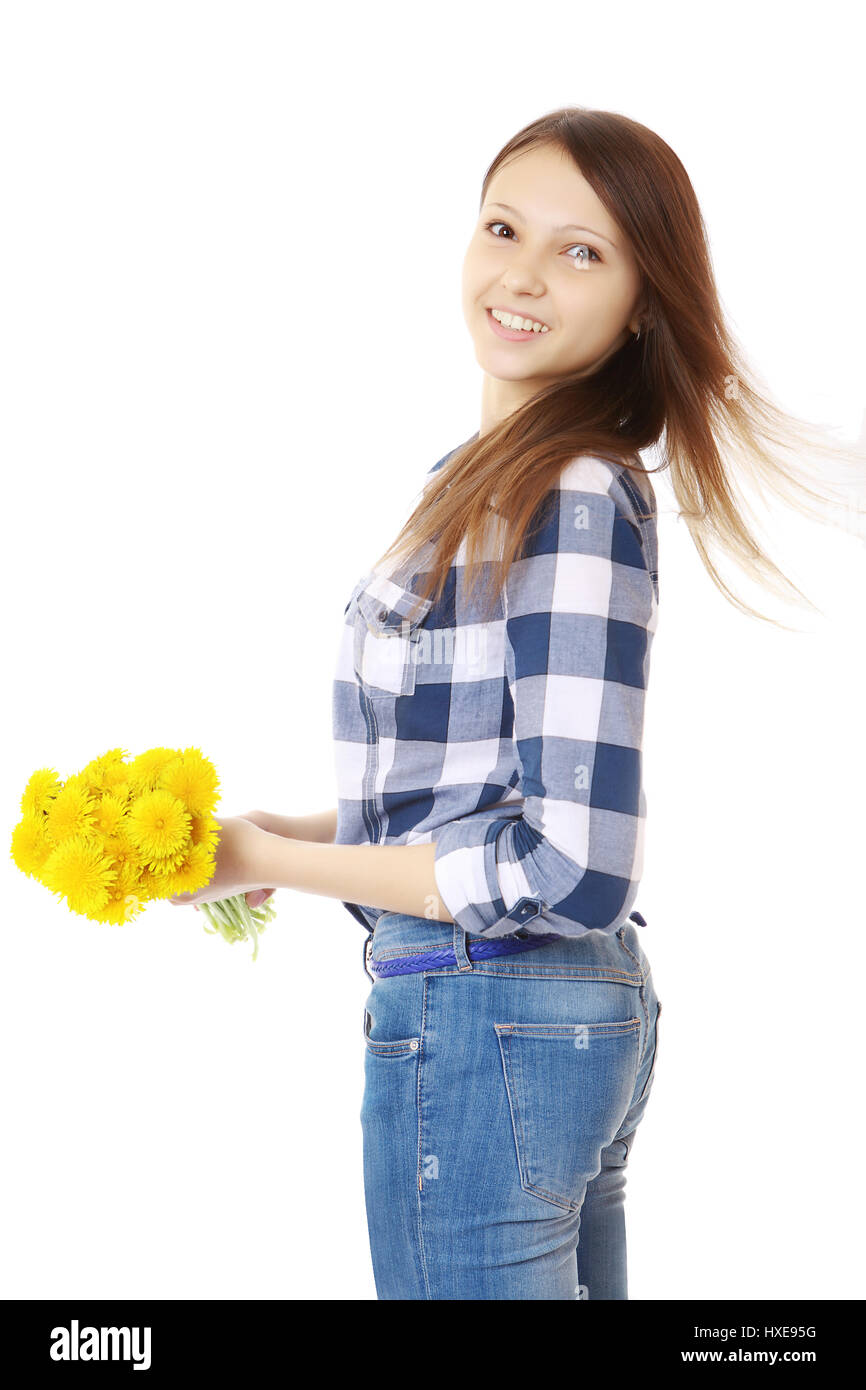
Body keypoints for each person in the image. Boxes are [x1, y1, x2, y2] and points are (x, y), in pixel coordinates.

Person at [169, 107, 865, 1299]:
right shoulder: (476, 480)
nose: (522, 275)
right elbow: (480, 793)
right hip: (524, 1015)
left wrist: (268, 860)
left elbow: (570, 865)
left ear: (644, 299)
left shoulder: (575, 492)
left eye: (581, 250)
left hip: (490, 1006)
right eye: (503, 227)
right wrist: (286, 838)